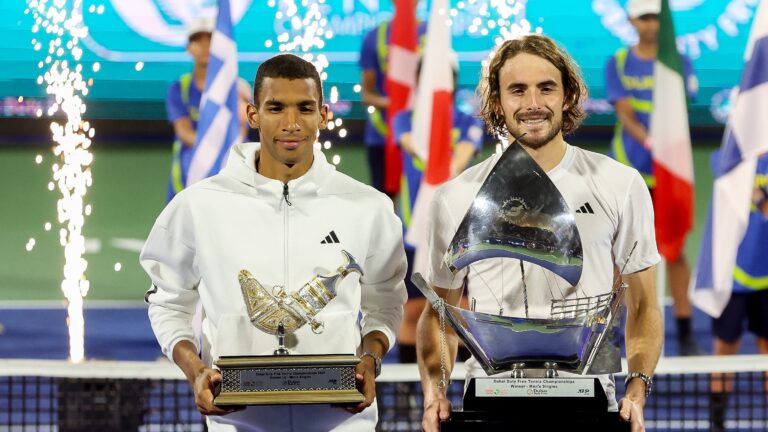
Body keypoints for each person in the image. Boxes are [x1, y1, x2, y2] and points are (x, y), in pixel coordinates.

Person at [143, 53, 408, 431]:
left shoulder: (369, 207)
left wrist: (371, 360)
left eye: (305, 108)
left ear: (324, 115)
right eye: (275, 108)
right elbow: (168, 302)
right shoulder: (198, 205)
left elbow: (385, 301)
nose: (291, 123)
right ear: (253, 115)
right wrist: (195, 370)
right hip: (239, 423)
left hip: (342, 422)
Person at [416, 34, 663, 432]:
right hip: (488, 404)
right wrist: (435, 391)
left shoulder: (621, 184)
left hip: (591, 402)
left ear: (567, 96)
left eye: (546, 88)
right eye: (517, 90)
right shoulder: (454, 197)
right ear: (498, 102)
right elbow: (438, 313)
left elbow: (646, 304)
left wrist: (637, 389)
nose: (533, 104)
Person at [605, 0, 701, 355]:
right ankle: (612, 333)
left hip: (670, 172)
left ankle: (686, 331)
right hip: (629, 171)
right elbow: (626, 113)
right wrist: (648, 138)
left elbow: (679, 109)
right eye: (645, 17)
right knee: (619, 254)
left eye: (656, 18)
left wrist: (665, 144)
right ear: (632, 20)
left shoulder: (679, 62)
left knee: (674, 249)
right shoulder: (616, 62)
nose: (651, 24)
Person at [392, 59, 483, 363]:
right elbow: (413, 147)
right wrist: (432, 150)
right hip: (415, 232)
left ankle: (461, 388)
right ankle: (405, 392)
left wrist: (447, 161)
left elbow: (459, 162)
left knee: (463, 307)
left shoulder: (468, 122)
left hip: (462, 232)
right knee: (414, 309)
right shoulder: (405, 119)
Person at [709, 152, 768, 432]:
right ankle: (717, 423)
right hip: (733, 276)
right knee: (725, 349)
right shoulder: (737, 151)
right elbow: (719, 162)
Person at [165, 17, 251, 202]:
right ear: (189, 48)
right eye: (198, 41)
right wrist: (213, 150)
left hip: (230, 174)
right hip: (188, 175)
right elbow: (184, 132)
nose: (205, 46)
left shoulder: (238, 88)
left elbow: (241, 135)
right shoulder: (179, 88)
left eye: (210, 40)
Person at [358, 2, 426, 194]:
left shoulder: (433, 36)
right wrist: (397, 106)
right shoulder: (375, 37)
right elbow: (367, 95)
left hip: (424, 135)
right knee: (384, 204)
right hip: (382, 137)